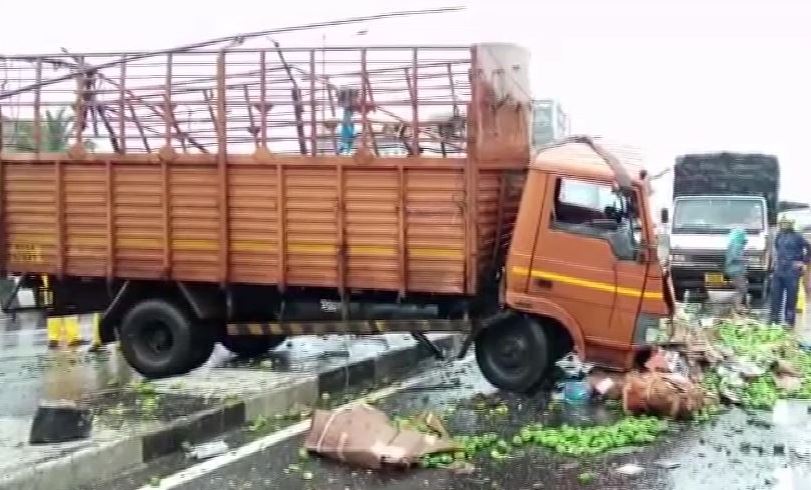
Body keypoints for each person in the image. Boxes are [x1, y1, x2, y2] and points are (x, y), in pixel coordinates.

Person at [769, 216, 811, 327]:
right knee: (775, 295)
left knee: (791, 297)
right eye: (782, 223)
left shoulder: (798, 236)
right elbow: (777, 248)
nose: (783, 225)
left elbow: (809, 248)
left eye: (785, 223)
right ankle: (774, 320)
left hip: (792, 271)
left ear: (791, 224)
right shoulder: (779, 235)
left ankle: (789, 321)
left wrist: (803, 262)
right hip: (779, 270)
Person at [724, 227, 748, 313]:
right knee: (741, 288)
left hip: (735, 270)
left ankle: (737, 306)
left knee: (740, 288)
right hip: (735, 270)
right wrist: (743, 259)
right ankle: (737, 307)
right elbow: (734, 257)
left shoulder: (734, 244)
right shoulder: (736, 245)